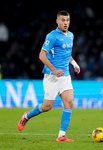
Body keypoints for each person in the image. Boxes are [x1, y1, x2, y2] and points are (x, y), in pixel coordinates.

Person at [18, 10, 80, 142]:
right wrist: (54, 69)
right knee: (47, 107)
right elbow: (42, 55)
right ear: (57, 21)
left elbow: (66, 53)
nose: (65, 23)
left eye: (67, 20)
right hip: (52, 76)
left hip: (65, 76)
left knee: (69, 102)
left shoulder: (71, 35)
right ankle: (26, 116)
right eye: (63, 20)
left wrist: (74, 64)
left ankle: (61, 135)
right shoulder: (52, 36)